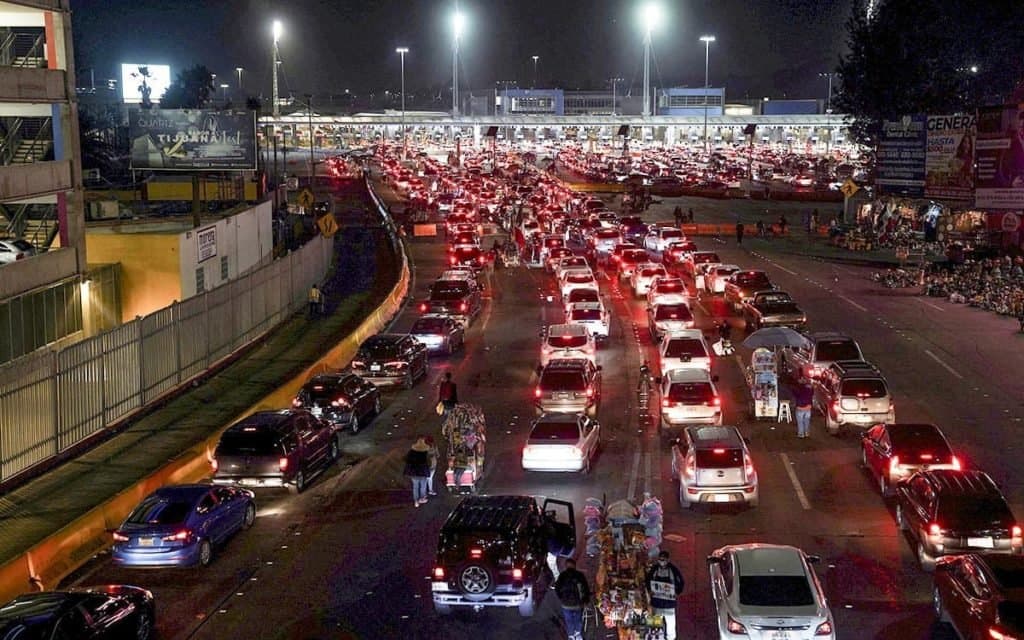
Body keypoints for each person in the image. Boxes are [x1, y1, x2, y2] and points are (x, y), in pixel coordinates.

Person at [646, 550, 685, 640]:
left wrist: (677, 592)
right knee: (655, 625)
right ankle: (655, 637)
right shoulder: (654, 569)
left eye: (663, 560)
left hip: (669, 605)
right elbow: (648, 580)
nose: (661, 561)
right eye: (660, 559)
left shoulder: (673, 569)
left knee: (671, 626)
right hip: (656, 603)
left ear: (668, 560)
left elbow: (681, 581)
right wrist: (649, 590)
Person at [554, 558, 591, 640]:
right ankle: (578, 635)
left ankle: (570, 635)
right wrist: (586, 600)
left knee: (568, 620)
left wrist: (561, 598)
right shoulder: (579, 575)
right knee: (578, 619)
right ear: (574, 565)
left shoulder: (562, 576)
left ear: (566, 566)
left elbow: (557, 589)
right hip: (578, 603)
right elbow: (585, 588)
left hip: (566, 604)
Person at [403, 437, 432, 507]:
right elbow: (429, 462)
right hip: (423, 472)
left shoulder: (412, 452)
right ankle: (422, 498)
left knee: (415, 487)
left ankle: (416, 501)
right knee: (423, 486)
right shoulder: (425, 453)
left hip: (414, 472)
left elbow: (405, 458)